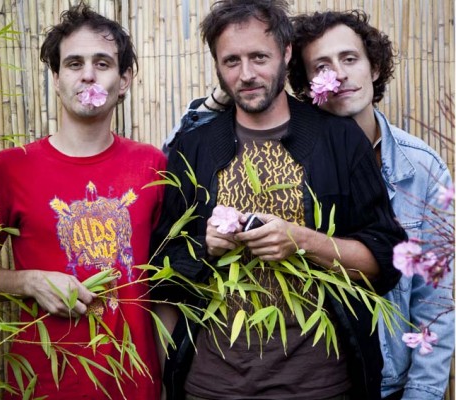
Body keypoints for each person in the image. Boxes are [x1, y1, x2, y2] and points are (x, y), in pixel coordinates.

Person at [170, 9, 455, 400]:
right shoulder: (193, 147)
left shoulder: (340, 141)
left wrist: (301, 240)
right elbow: (161, 268)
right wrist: (202, 247)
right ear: (217, 67)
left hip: (320, 386)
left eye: (259, 57)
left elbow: (387, 261)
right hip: (210, 385)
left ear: (286, 53)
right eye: (231, 61)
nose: (247, 73)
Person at [0, 3, 165, 399]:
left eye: (102, 63)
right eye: (74, 63)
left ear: (123, 81)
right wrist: (28, 281)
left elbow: (168, 287)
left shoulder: (153, 167)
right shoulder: (10, 169)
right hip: (43, 386)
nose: (88, 74)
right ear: (56, 78)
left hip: (134, 387)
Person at [289, 11, 454, 400]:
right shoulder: (287, 161)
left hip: (389, 383)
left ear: (374, 67)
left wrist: (422, 394)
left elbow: (437, 299)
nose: (340, 74)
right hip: (312, 380)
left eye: (350, 59)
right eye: (322, 66)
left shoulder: (421, 168)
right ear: (307, 84)